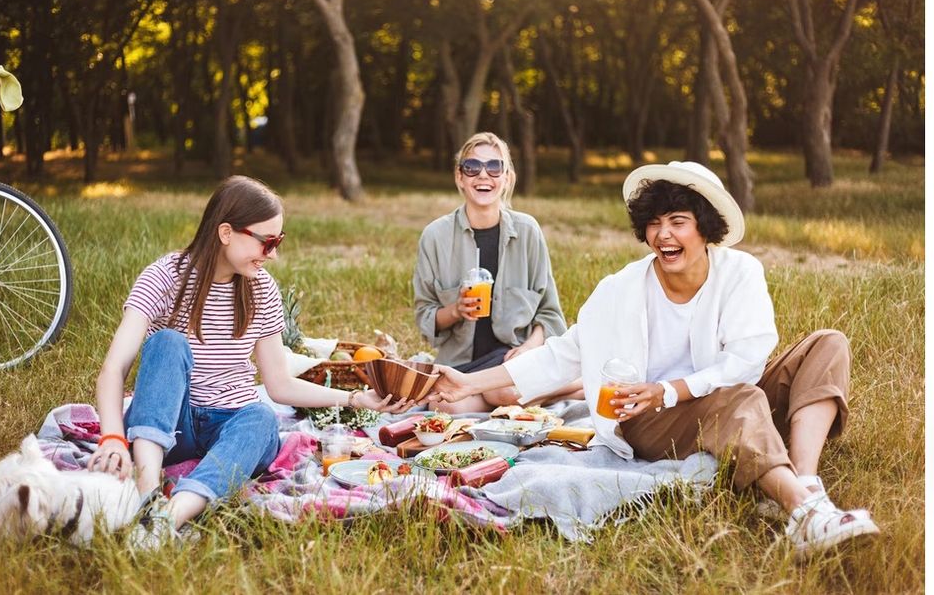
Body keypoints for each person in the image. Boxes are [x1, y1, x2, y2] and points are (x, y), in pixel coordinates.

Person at [429, 161, 879, 559]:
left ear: (705, 228)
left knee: (828, 343)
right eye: (655, 223)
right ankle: (804, 510)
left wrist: (672, 389)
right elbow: (561, 356)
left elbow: (747, 359)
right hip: (647, 420)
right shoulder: (620, 290)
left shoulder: (740, 273)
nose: (664, 234)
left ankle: (806, 486)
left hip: (719, 400)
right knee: (737, 399)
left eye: (679, 221)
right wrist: (469, 384)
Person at [88, 175, 412, 548]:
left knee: (261, 417)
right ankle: (146, 494)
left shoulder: (261, 289)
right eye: (267, 241)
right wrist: (112, 437)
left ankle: (168, 517)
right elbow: (114, 368)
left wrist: (355, 399)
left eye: (279, 241)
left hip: (231, 424)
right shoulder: (165, 277)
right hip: (169, 426)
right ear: (226, 232)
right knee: (167, 342)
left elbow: (279, 385)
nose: (273, 254)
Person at [413, 132, 579, 413]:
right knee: (448, 408)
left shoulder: (528, 231)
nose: (483, 175)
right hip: (462, 367)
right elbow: (425, 317)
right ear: (460, 177)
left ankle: (571, 386)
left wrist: (527, 350)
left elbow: (549, 314)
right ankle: (573, 389)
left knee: (505, 388)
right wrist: (456, 311)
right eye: (472, 167)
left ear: (507, 178)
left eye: (494, 167)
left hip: (513, 360)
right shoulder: (435, 236)